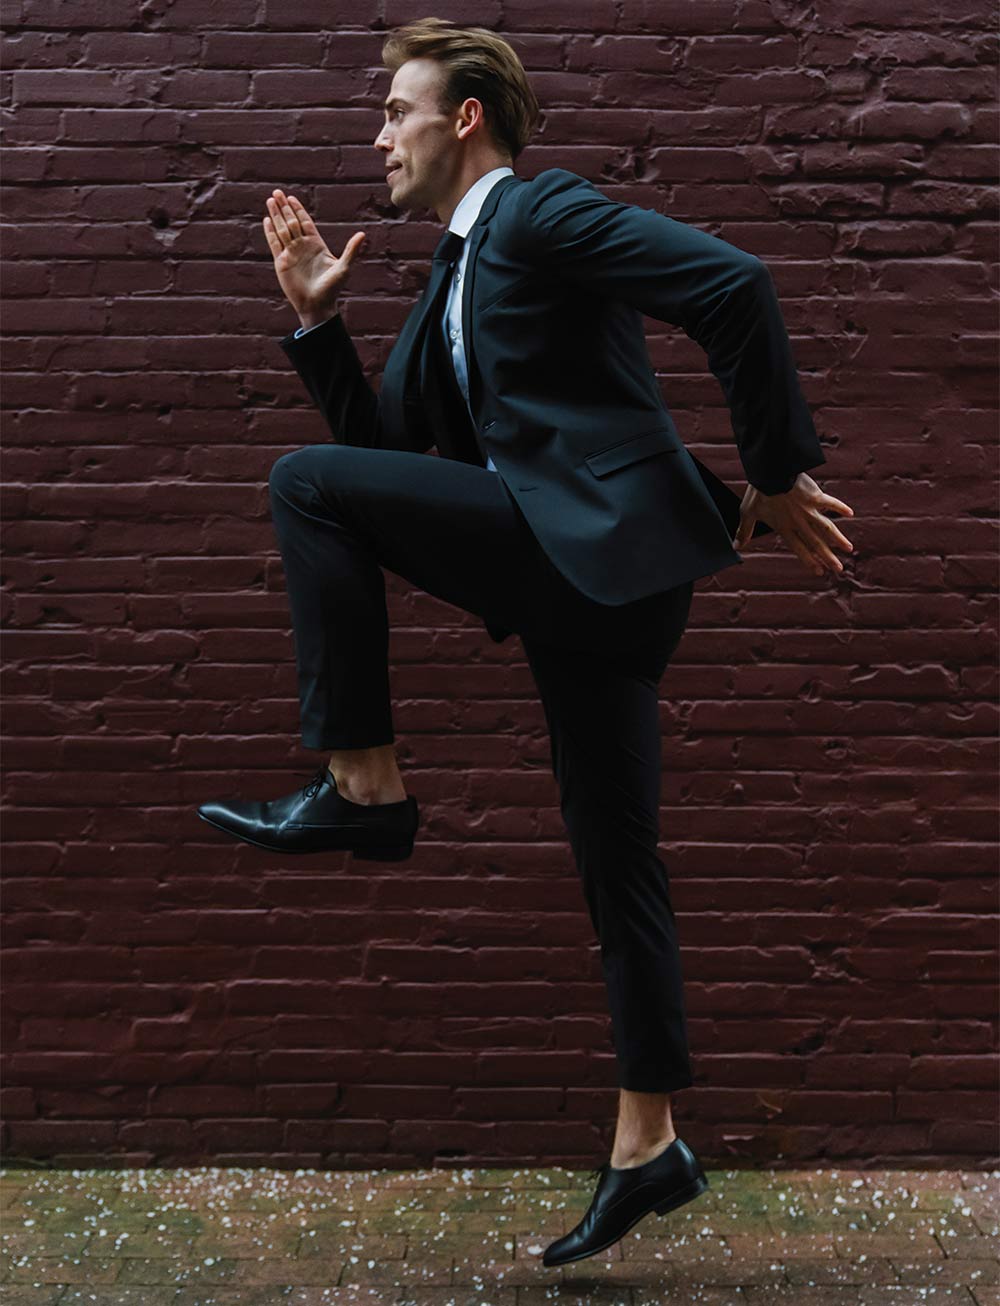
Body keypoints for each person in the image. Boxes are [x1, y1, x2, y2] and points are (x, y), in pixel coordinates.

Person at [197, 17, 855, 1267]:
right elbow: (390, 468)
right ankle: (648, 1144)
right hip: (583, 574)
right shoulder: (448, 279)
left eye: (395, 110)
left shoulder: (537, 214)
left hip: (595, 552)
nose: (376, 135)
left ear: (465, 120)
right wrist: (316, 325)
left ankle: (364, 785)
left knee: (299, 483)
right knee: (620, 860)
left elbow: (735, 286)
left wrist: (771, 474)